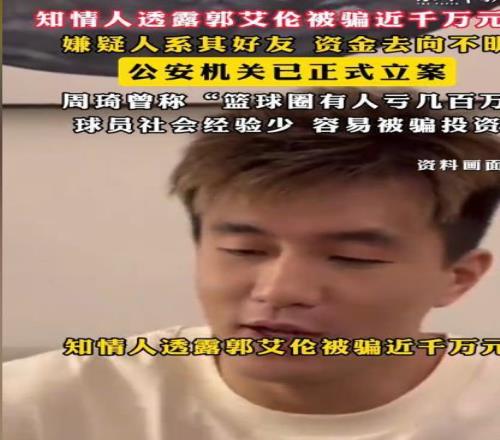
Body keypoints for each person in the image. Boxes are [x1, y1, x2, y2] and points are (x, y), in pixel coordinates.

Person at [3, 87, 500, 440]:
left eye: (352, 258)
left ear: (458, 278)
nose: (280, 290)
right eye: (244, 251)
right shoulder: (45, 404)